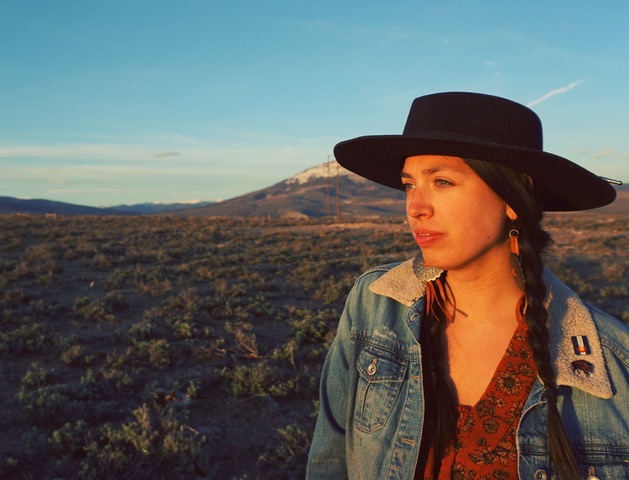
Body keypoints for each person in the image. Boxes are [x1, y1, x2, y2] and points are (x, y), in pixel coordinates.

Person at [306, 92, 628, 479]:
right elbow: (330, 460)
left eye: (442, 181)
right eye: (409, 185)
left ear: (515, 197)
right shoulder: (374, 304)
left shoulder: (614, 366)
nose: (415, 207)